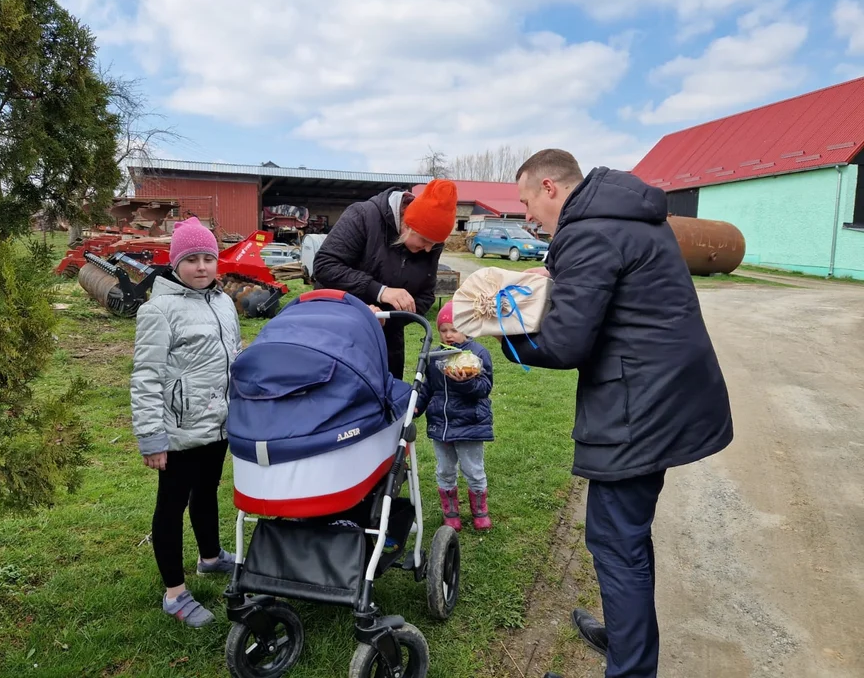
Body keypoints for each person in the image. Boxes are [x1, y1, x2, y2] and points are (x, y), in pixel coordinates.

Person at [501, 150, 733, 678]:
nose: (528, 216)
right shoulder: (626, 218)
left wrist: (500, 337)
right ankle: (628, 640)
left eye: (527, 202)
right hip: (670, 397)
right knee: (629, 534)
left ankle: (630, 668)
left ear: (551, 188)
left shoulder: (590, 233)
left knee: (614, 540)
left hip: (641, 409)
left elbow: (565, 344)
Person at [130, 216, 243, 628]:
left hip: (217, 424)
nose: (201, 267)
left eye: (208, 258)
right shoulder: (158, 310)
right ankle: (175, 593)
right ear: (175, 264)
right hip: (178, 429)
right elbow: (145, 376)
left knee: (208, 490)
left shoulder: (224, 302)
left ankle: (210, 556)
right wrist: (151, 438)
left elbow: (234, 357)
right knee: (171, 505)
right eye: (191, 259)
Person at [312, 179, 458, 379]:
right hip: (337, 332)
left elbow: (425, 296)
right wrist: (379, 291)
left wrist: (384, 317)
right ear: (408, 225)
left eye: (434, 245)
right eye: (424, 240)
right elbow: (325, 265)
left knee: (384, 400)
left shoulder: (430, 246)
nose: (427, 249)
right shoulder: (363, 216)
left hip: (386, 343)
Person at [415, 301, 495, 531]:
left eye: (454, 329)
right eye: (444, 330)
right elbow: (427, 387)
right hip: (441, 425)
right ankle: (450, 511)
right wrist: (417, 406)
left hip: (470, 423)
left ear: (467, 328)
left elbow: (484, 388)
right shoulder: (435, 356)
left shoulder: (478, 354)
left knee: (473, 469)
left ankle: (480, 510)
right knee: (445, 469)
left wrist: (466, 382)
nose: (449, 335)